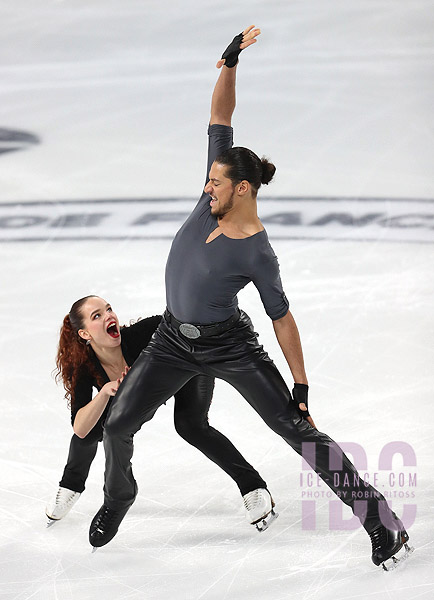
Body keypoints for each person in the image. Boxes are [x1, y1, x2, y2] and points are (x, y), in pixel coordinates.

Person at [89, 26, 413, 570]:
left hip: (229, 347)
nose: (206, 187)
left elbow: (282, 320)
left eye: (216, 183)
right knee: (118, 424)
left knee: (296, 431)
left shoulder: (258, 252)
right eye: (209, 180)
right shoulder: (215, 190)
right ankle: (119, 497)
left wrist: (301, 384)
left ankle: (382, 524)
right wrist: (230, 63)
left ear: (242, 188)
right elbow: (221, 117)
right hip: (171, 339)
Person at [46, 295, 278, 530]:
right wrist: (105, 392)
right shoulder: (84, 367)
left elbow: (184, 324)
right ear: (84, 333)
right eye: (97, 316)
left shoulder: (143, 333)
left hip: (188, 371)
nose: (109, 316)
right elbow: (80, 427)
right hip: (139, 399)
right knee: (93, 431)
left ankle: (254, 487)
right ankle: (70, 487)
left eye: (109, 309)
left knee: (191, 425)